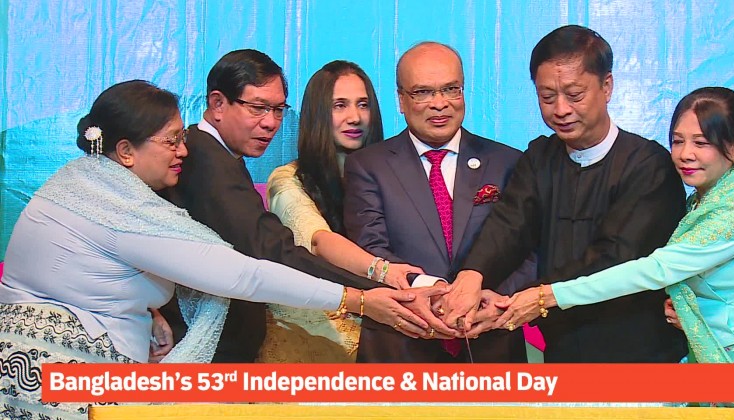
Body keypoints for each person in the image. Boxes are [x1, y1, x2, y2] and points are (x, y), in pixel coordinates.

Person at [0, 80, 428, 419]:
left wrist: (147, 315)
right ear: (126, 151)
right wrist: (356, 299)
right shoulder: (117, 206)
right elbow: (244, 274)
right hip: (62, 378)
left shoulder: (82, 183)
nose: (183, 150)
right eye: (171, 141)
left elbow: (90, 272)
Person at [494, 87, 734, 416]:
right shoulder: (703, 202)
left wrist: (549, 296)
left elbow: (655, 270)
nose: (685, 153)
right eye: (677, 140)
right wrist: (688, 309)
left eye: (701, 142)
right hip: (733, 364)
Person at [160, 49, 438, 363]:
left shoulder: (221, 156)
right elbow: (274, 249)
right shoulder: (207, 160)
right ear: (218, 103)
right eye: (258, 108)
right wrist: (370, 291)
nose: (270, 123)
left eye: (278, 110)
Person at [443, 25, 688, 363]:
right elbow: (509, 225)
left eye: (574, 95)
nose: (560, 109)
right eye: (547, 97)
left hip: (637, 353)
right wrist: (473, 275)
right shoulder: (540, 157)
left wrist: (530, 298)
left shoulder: (648, 166)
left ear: (607, 86)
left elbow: (615, 258)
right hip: (561, 350)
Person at [343, 42, 536, 363]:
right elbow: (370, 247)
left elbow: (529, 249)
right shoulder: (368, 166)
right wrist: (434, 293)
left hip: (490, 341)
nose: (439, 103)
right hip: (402, 344)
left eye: (450, 89)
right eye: (423, 92)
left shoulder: (507, 161)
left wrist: (497, 299)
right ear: (401, 100)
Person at [261, 60, 428, 362]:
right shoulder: (288, 179)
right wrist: (385, 272)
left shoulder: (394, 177)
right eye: (339, 106)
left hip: (388, 335)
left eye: (363, 105)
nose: (355, 117)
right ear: (317, 114)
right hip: (312, 343)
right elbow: (318, 240)